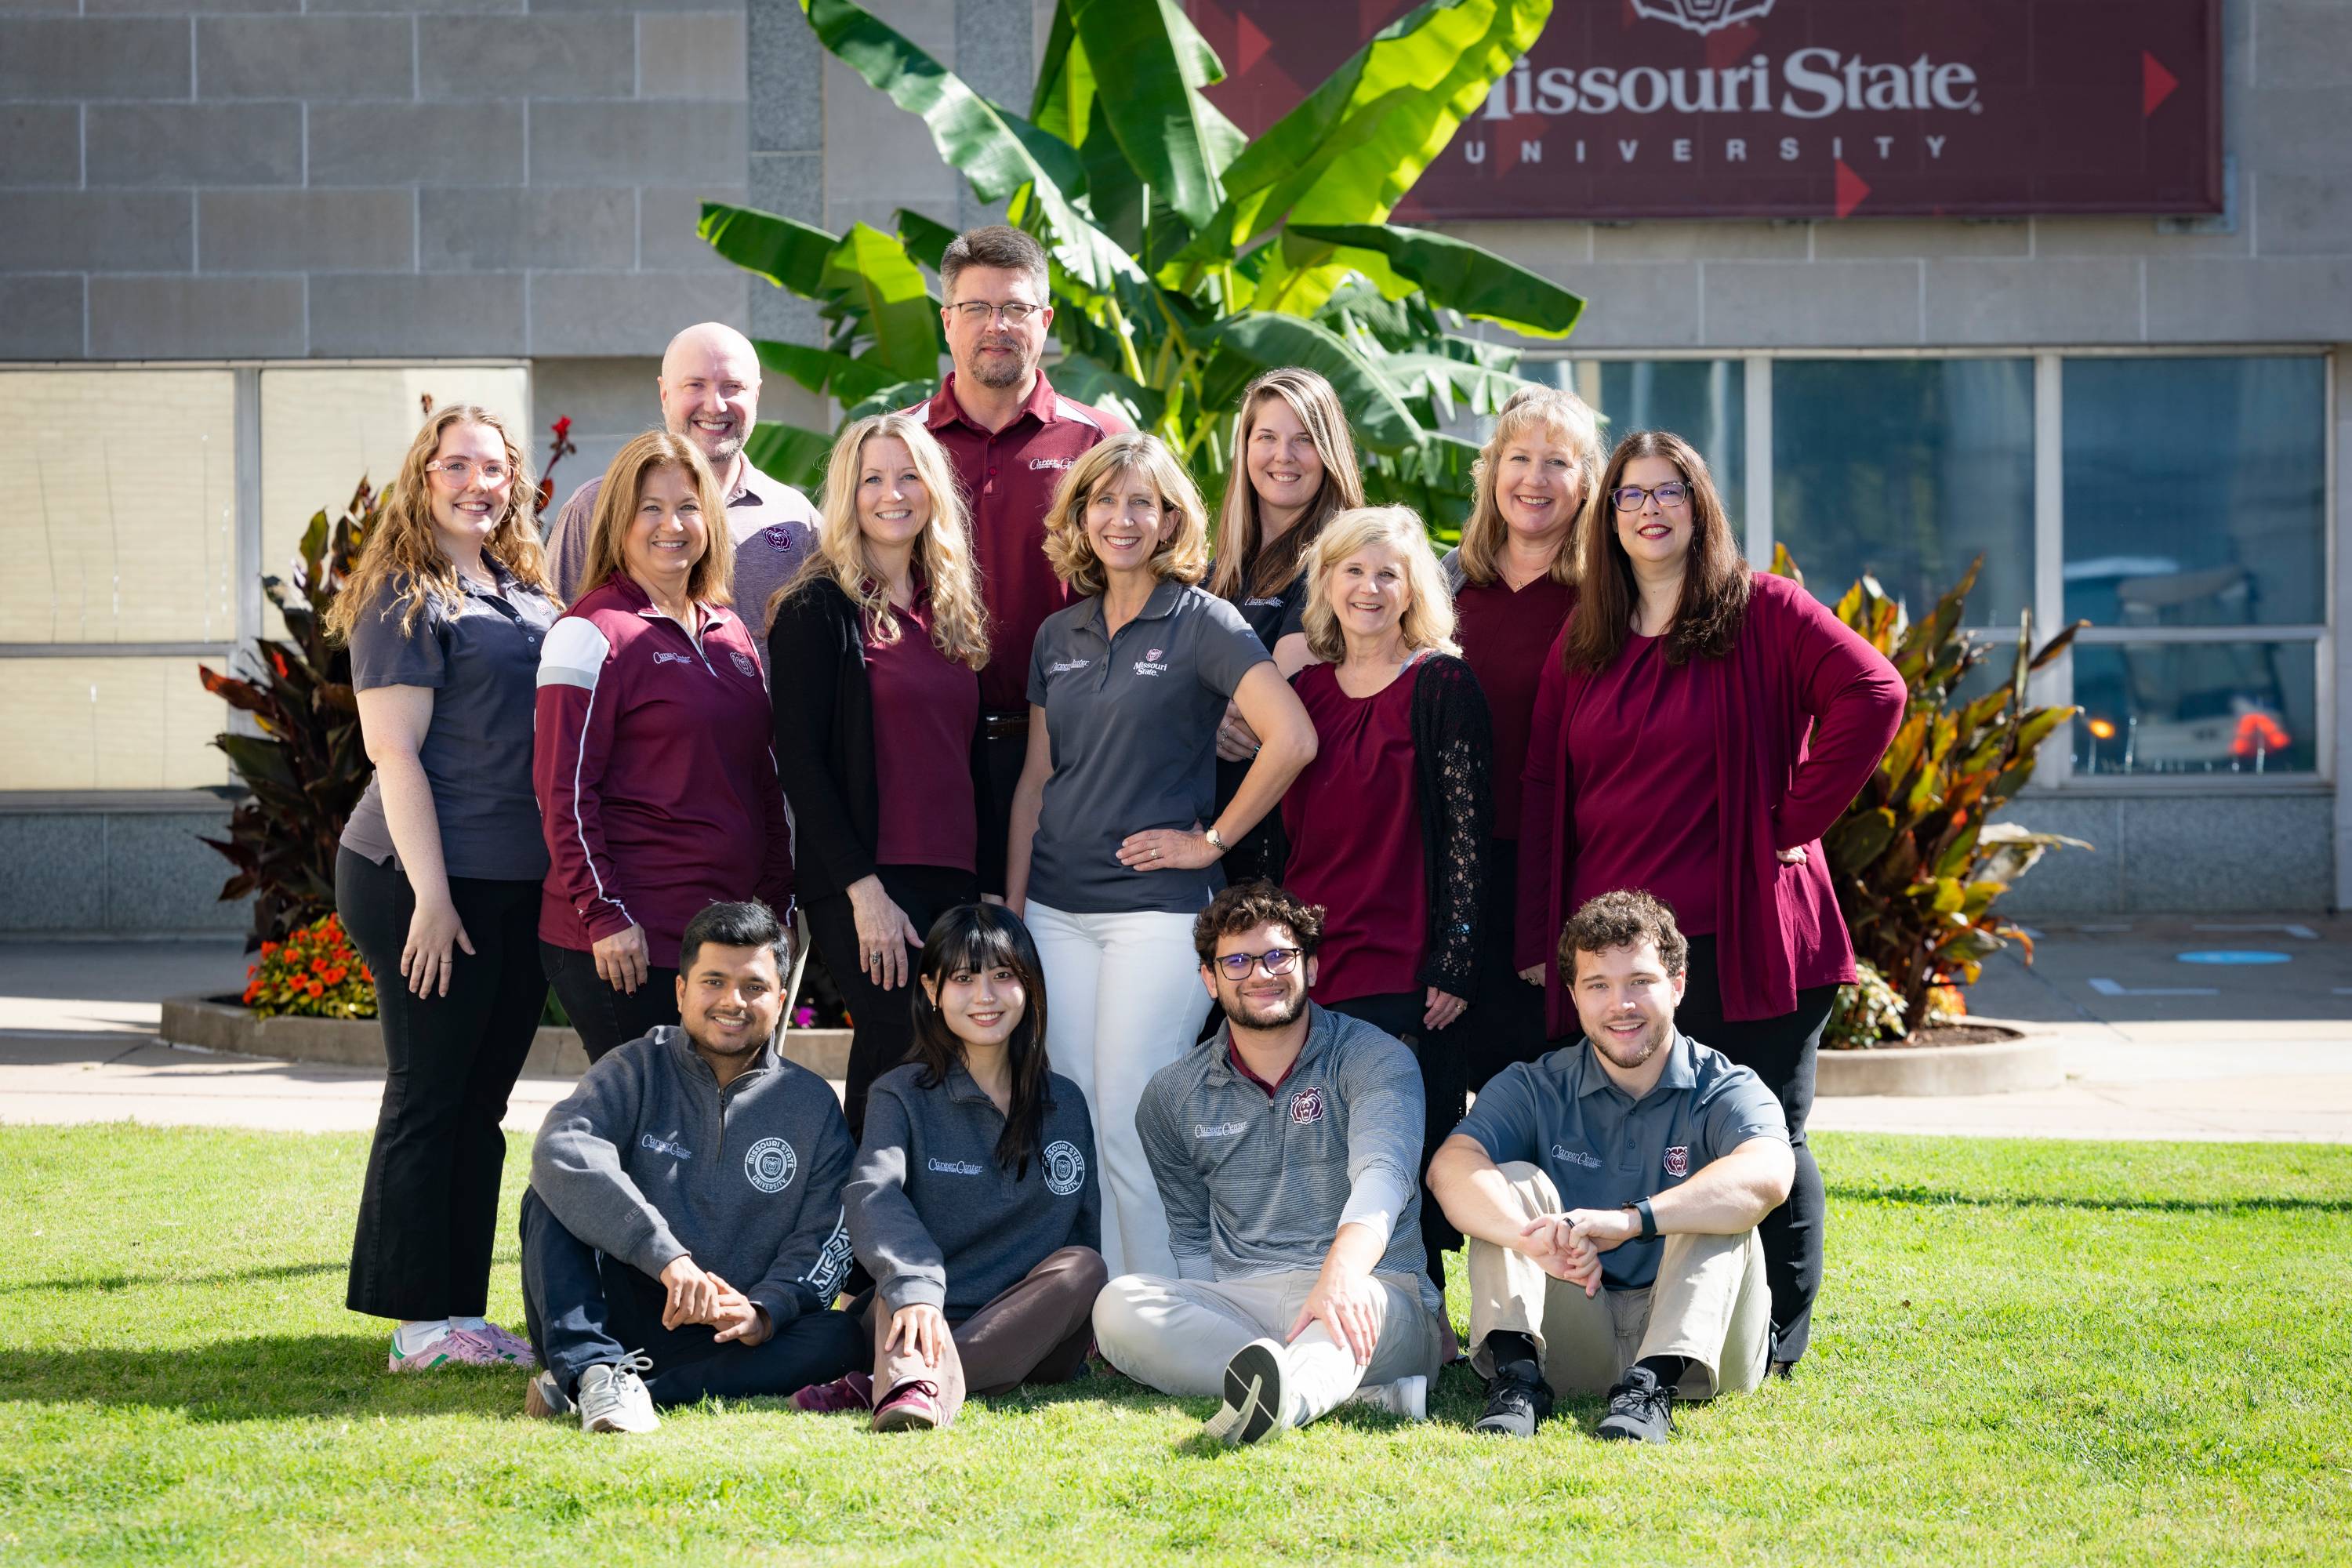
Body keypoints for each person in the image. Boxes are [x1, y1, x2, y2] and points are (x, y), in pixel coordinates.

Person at [1517, 429, 1904, 1376]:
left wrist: (1791, 816)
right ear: (1607, 519)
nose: (1650, 509)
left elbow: (1874, 689)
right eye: (1630, 495)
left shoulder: (1761, 610)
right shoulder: (1587, 636)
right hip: (1625, 953)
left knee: (1763, 1129)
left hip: (1747, 928)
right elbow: (1543, 791)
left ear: (1700, 507)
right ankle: (1661, 1325)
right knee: (1650, 1137)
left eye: (1670, 492)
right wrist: (1541, 935)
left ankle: (1777, 1336)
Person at [1005, 433, 1316, 1278]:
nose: (1121, 517)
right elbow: (1036, 780)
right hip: (1057, 913)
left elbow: (1292, 736)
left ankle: (1163, 1300)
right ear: (1080, 515)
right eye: (1104, 500)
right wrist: (1015, 908)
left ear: (1172, 516)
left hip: (1157, 913)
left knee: (1131, 1106)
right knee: (1071, 1105)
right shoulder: (1056, 633)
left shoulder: (1203, 622)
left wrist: (1209, 840)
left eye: (1142, 501)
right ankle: (1093, 1301)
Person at [329, 403, 558, 1374]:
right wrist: (432, 896)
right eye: (454, 465)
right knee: (431, 1091)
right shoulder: (402, 593)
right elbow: (395, 754)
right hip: (418, 874)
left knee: (481, 1100)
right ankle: (419, 1318)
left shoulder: (518, 584)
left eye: (494, 467)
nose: (477, 482)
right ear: (422, 477)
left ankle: (461, 1311)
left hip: (508, 876)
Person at [1092, 883, 1452, 1445]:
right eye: (1237, 960)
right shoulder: (1171, 1095)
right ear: (1210, 980)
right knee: (1117, 1306)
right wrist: (1204, 1319)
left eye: (1278, 955)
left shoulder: (1378, 1057)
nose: (1260, 973)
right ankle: (1346, 1391)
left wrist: (1338, 1277)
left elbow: (1383, 1178)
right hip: (1244, 1303)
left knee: (1358, 1312)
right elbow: (1189, 1234)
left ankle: (1284, 1398)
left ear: (1311, 965)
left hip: (1373, 1285)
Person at [1429, 891, 1793, 1444]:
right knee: (1509, 1187)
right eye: (1598, 986)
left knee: (1714, 1196)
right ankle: (1518, 1380)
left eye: (1640, 982)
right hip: (1576, 1329)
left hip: (1704, 1349)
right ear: (1573, 995)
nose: (1620, 1005)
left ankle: (1653, 1387)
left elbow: (1768, 1175)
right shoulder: (1535, 1084)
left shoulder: (1726, 1085)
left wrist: (1634, 1220)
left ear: (1677, 984)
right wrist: (1530, 1240)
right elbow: (1449, 1169)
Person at [519, 900, 862, 1434]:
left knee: (841, 1337)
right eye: (714, 982)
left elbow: (827, 1235)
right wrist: (666, 1258)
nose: (733, 1001)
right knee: (551, 1195)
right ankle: (594, 1368)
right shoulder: (636, 1067)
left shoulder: (813, 1104)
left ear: (780, 998)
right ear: (682, 992)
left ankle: (630, 1391)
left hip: (726, 1332)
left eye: (754, 986)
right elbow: (563, 1147)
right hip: (618, 1308)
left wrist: (762, 1311)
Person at [1280, 505, 1492, 1290]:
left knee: (1402, 1143)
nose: (1368, 588)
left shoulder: (1441, 682)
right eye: (1353, 570)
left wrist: (1456, 958)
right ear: (1327, 581)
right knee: (1320, 1146)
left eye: (1387, 573)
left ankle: (1421, 1308)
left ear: (1413, 590)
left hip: (1405, 959)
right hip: (1311, 957)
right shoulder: (1301, 691)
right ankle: (1323, 1294)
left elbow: (1469, 828)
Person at [793, 904, 1106, 1431]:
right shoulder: (901, 1093)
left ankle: (894, 1384)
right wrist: (915, 1288)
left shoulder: (1066, 1103)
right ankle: (912, 1376)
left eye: (1003, 975)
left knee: (1085, 1268)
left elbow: (1083, 1228)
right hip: (917, 1312)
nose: (985, 996)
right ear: (933, 991)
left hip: (1024, 1326)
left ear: (1029, 987)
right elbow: (874, 1194)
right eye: (964, 978)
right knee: (902, 1292)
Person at [535, 430, 794, 1062]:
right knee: (647, 1132)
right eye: (650, 508)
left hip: (718, 939)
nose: (671, 525)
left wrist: (777, 903)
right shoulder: (589, 632)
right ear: (618, 521)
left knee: (708, 1128)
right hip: (628, 941)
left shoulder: (729, 628)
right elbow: (563, 794)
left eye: (687, 506)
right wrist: (604, 916)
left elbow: (761, 778)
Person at [767, 413, 989, 1135]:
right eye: (872, 480)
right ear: (848, 495)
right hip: (867, 880)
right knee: (897, 1048)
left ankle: (925, 1230)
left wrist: (985, 888)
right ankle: (862, 1236)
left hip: (950, 877)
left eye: (908, 477)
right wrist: (864, 891)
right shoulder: (817, 606)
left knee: (948, 1057)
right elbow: (800, 762)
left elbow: (967, 759)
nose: (892, 494)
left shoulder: (949, 609)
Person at [901, 225, 1132, 894]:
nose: (995, 326)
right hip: (933, 750)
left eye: (1015, 308)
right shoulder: (903, 447)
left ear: (1046, 321)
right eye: (975, 308)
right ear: (947, 321)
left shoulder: (1101, 442)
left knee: (1053, 956)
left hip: (1073, 753)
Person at [1441, 385, 1601, 1096]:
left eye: (1557, 463)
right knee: (1454, 1056)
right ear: (1491, 471)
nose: (1534, 479)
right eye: (1519, 458)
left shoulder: (1607, 594)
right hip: (1455, 863)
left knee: (1547, 1064)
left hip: (1566, 860)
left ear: (1586, 482)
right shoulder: (1444, 582)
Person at [542, 321, 818, 644]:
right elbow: (554, 636)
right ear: (664, 393)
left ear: (756, 394)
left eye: (732, 386)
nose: (715, 405)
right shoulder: (596, 507)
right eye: (695, 385)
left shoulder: (797, 517)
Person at [1203, 368, 1367, 884]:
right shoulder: (1217, 573)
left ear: (1330, 454)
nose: (1283, 456)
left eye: (1304, 441)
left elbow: (1267, 710)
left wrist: (1196, 709)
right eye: (1266, 437)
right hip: (1211, 841)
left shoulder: (1339, 567)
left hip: (1283, 847)